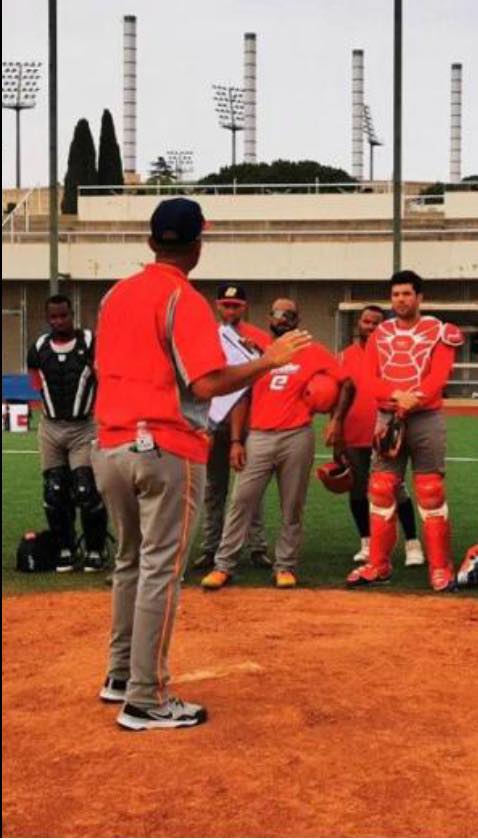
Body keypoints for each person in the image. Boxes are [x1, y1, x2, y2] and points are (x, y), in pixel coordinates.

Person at [93, 197, 310, 730]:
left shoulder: (114, 295)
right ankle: (145, 697)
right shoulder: (183, 298)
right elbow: (207, 383)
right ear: (198, 244)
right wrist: (268, 361)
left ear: (150, 242)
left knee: (128, 561)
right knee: (161, 571)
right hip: (165, 446)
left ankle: (121, 674)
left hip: (110, 443)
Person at [200, 297, 344, 590]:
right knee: (241, 501)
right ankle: (223, 565)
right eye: (277, 313)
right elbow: (242, 396)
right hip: (259, 436)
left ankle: (285, 566)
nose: (282, 318)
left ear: (297, 320)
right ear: (269, 317)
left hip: (297, 436)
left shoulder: (313, 352)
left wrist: (335, 418)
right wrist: (237, 440)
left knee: (292, 505)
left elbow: (345, 381)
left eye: (289, 314)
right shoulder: (258, 353)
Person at [346, 270, 461, 592]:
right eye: (396, 295)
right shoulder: (379, 334)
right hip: (388, 415)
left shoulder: (440, 331)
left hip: (426, 418)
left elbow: (440, 375)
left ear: (419, 297)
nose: (401, 300)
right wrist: (397, 396)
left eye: (407, 294)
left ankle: (440, 567)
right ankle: (378, 564)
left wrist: (414, 398)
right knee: (381, 487)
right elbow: (368, 378)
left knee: (430, 490)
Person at [327, 304, 424, 567]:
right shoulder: (345, 356)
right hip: (354, 432)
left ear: (384, 325)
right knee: (357, 490)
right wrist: (336, 428)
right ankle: (367, 543)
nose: (370, 326)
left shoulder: (392, 353)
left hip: (385, 431)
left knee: (395, 488)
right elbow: (339, 394)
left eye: (376, 323)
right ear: (359, 324)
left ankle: (412, 543)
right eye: (366, 322)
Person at [192, 282, 271, 572]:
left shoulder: (259, 338)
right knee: (214, 488)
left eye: (236, 305)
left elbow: (267, 375)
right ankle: (211, 548)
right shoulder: (207, 337)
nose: (230, 310)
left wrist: (259, 352)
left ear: (245, 307)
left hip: (249, 423)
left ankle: (257, 547)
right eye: (226, 305)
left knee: (250, 490)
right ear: (217, 306)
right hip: (212, 423)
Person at [26, 294, 107, 572]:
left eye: (64, 315)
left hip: (84, 427)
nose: (60, 321)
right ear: (48, 318)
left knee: (86, 488)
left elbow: (105, 378)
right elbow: (36, 382)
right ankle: (65, 548)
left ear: (73, 315)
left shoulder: (90, 342)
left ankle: (95, 549)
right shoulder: (38, 347)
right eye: (54, 317)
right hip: (50, 428)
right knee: (55, 490)